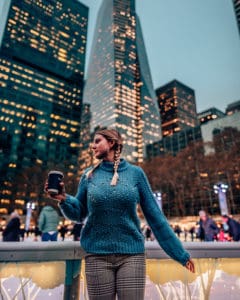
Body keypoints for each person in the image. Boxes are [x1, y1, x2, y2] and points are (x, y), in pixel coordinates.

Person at [45, 128, 195, 300]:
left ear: (111, 143)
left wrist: (180, 254)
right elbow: (79, 213)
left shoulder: (136, 174)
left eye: (97, 141)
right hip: (96, 256)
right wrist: (64, 199)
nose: (92, 146)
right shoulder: (89, 175)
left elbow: (155, 217)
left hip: (132, 256)